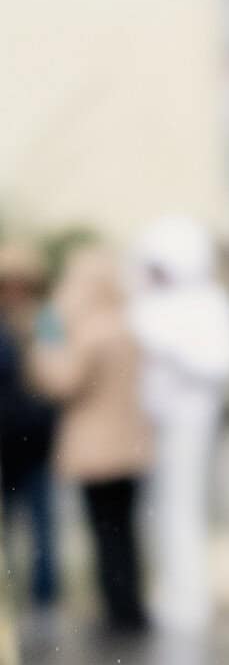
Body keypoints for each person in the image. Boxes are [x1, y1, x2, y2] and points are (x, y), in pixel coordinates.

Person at [129, 216, 229, 636]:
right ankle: (166, 589)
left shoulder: (209, 303)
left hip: (191, 419)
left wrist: (176, 353)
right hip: (147, 421)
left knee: (184, 506)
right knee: (153, 511)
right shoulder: (146, 302)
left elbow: (228, 359)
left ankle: (190, 594)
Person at [29, 245, 152, 638]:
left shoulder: (90, 333)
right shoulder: (125, 325)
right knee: (125, 531)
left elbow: (61, 382)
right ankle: (130, 607)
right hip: (129, 444)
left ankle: (118, 613)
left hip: (96, 449)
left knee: (105, 532)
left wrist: (47, 340)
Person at [0, 241, 60, 626]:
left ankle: (44, 601)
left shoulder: (47, 321)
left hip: (37, 434)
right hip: (6, 435)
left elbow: (57, 370)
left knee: (41, 521)